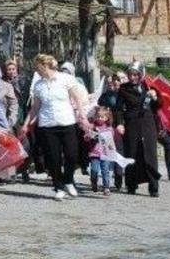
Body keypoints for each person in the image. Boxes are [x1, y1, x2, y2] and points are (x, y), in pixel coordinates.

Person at [21, 54, 87, 201]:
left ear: (44, 66)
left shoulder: (66, 79)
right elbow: (35, 107)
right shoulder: (39, 85)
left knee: (72, 155)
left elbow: (77, 99)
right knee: (53, 158)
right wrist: (26, 124)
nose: (36, 70)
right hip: (47, 125)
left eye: (37, 67)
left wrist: (82, 116)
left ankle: (68, 180)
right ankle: (58, 187)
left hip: (67, 122)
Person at [115, 62, 161, 197]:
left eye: (135, 74)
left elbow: (158, 106)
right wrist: (120, 123)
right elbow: (118, 109)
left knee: (150, 154)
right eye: (130, 74)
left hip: (148, 123)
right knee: (132, 152)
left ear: (141, 74)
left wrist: (155, 97)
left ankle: (154, 186)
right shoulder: (123, 89)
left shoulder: (149, 86)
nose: (133, 77)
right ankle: (131, 184)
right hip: (131, 123)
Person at [87, 107, 114, 196]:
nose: (100, 119)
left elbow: (110, 139)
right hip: (94, 153)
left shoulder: (109, 128)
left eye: (102, 117)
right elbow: (86, 137)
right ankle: (94, 182)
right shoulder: (92, 126)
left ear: (107, 118)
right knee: (94, 170)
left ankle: (106, 187)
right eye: (98, 116)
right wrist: (90, 136)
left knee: (105, 170)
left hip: (105, 153)